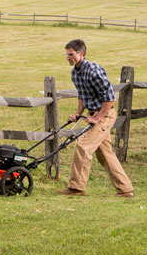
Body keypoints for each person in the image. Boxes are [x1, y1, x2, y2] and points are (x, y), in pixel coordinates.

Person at [56, 39, 135, 197]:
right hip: (93, 114)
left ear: (81, 53)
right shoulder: (75, 73)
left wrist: (98, 117)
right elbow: (82, 95)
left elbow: (110, 97)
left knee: (83, 147)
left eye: (70, 54)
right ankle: (125, 190)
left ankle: (76, 188)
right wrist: (78, 113)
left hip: (104, 114)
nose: (67, 57)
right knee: (105, 154)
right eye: (66, 54)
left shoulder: (93, 70)